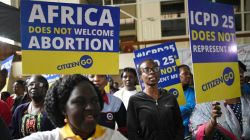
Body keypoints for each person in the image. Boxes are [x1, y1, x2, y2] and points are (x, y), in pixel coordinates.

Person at [20, 74, 127, 140]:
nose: (90, 107)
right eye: (80, 102)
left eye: (94, 101)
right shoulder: (48, 138)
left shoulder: (114, 138)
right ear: (63, 108)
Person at [189, 61, 250, 139]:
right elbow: (198, 135)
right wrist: (212, 122)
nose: (241, 75)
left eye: (241, 72)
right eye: (235, 71)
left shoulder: (248, 100)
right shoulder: (206, 104)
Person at [127, 59, 184, 140]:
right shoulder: (134, 100)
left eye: (155, 69)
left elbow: (179, 126)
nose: (152, 72)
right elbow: (132, 132)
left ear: (159, 73)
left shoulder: (170, 97)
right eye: (146, 70)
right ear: (140, 76)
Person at [178, 64, 196, 139]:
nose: (188, 76)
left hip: (194, 133)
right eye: (185, 73)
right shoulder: (170, 95)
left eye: (189, 74)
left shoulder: (194, 92)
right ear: (177, 76)